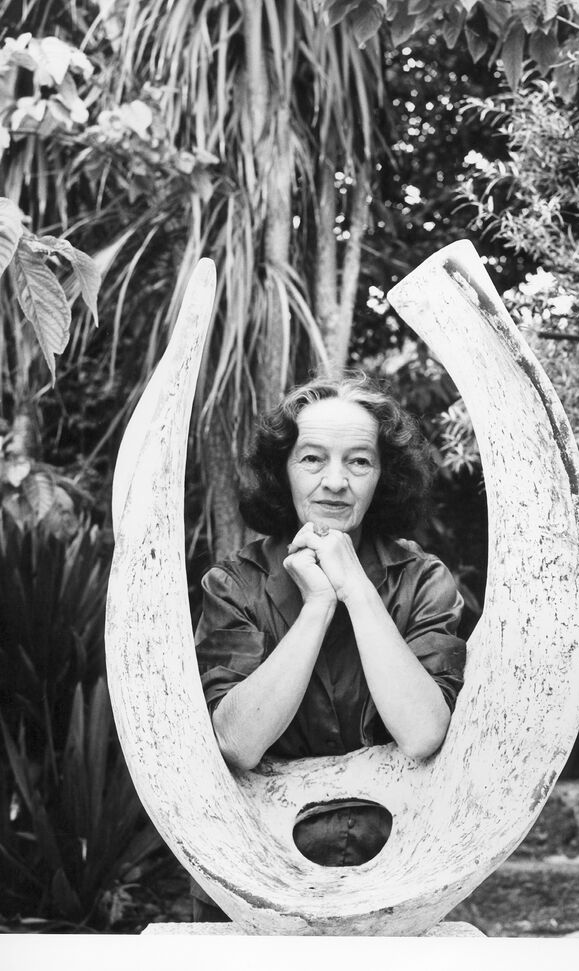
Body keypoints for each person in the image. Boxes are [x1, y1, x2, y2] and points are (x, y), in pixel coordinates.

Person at [190, 371, 467, 920]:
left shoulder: (423, 581)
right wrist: (317, 605)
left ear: (383, 477)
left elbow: (423, 733)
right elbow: (238, 743)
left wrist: (356, 589)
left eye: (359, 461)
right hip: (258, 877)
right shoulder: (235, 584)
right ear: (283, 472)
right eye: (312, 459)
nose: (335, 482)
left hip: (397, 875)